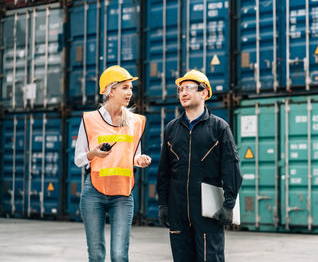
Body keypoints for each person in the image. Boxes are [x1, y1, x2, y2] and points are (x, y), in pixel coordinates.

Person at [157, 70, 242, 262]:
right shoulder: (171, 128)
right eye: (180, 89)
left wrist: (229, 204)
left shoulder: (219, 128)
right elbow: (164, 170)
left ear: (204, 93)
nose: (183, 93)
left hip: (207, 212)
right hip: (178, 210)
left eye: (188, 88)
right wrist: (163, 203)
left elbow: (231, 168)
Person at [74, 65, 151, 262]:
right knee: (97, 255)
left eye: (131, 88)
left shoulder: (136, 121)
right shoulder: (90, 119)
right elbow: (78, 159)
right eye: (125, 87)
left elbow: (135, 155)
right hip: (94, 192)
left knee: (119, 255)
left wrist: (140, 160)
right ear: (110, 90)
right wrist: (93, 154)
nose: (130, 92)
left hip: (123, 195)